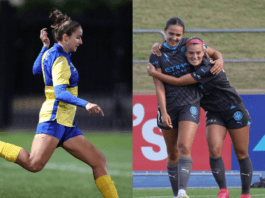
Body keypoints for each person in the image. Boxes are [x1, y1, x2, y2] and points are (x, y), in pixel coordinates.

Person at [0, 9, 119, 198]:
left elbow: (35, 70)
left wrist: (44, 46)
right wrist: (86, 103)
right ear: (65, 36)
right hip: (55, 118)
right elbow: (60, 92)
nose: (81, 41)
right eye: (78, 37)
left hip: (66, 123)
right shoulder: (61, 60)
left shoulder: (51, 52)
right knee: (33, 164)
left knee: (98, 161)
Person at [147, 37, 253, 198]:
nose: (195, 56)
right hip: (214, 113)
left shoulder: (208, 68)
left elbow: (178, 82)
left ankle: (245, 194)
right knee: (214, 150)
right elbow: (177, 45)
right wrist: (157, 46)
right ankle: (223, 191)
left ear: (204, 52)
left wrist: (154, 73)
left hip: (234, 110)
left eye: (198, 53)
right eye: (191, 53)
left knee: (241, 153)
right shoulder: (190, 64)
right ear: (186, 53)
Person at [149, 17, 223, 198]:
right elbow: (159, 86)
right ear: (164, 30)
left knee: (183, 146)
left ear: (183, 35)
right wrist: (164, 111)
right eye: (171, 33)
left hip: (190, 103)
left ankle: (183, 191)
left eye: (178, 34)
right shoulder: (157, 53)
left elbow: (213, 53)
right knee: (172, 152)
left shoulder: (188, 45)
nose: (175, 38)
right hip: (168, 106)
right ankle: (177, 194)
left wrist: (220, 59)